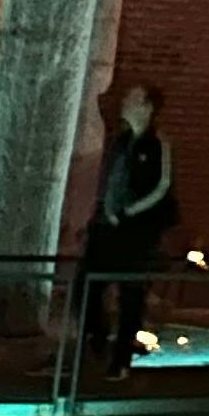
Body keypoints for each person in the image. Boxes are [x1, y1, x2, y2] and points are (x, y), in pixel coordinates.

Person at [86, 85, 176, 380]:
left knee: (131, 296)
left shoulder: (158, 142)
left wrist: (130, 212)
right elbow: (109, 180)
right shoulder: (121, 141)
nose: (125, 103)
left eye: (132, 99)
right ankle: (96, 340)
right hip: (109, 225)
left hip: (138, 231)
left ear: (147, 107)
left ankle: (121, 358)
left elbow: (162, 186)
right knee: (89, 285)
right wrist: (103, 212)